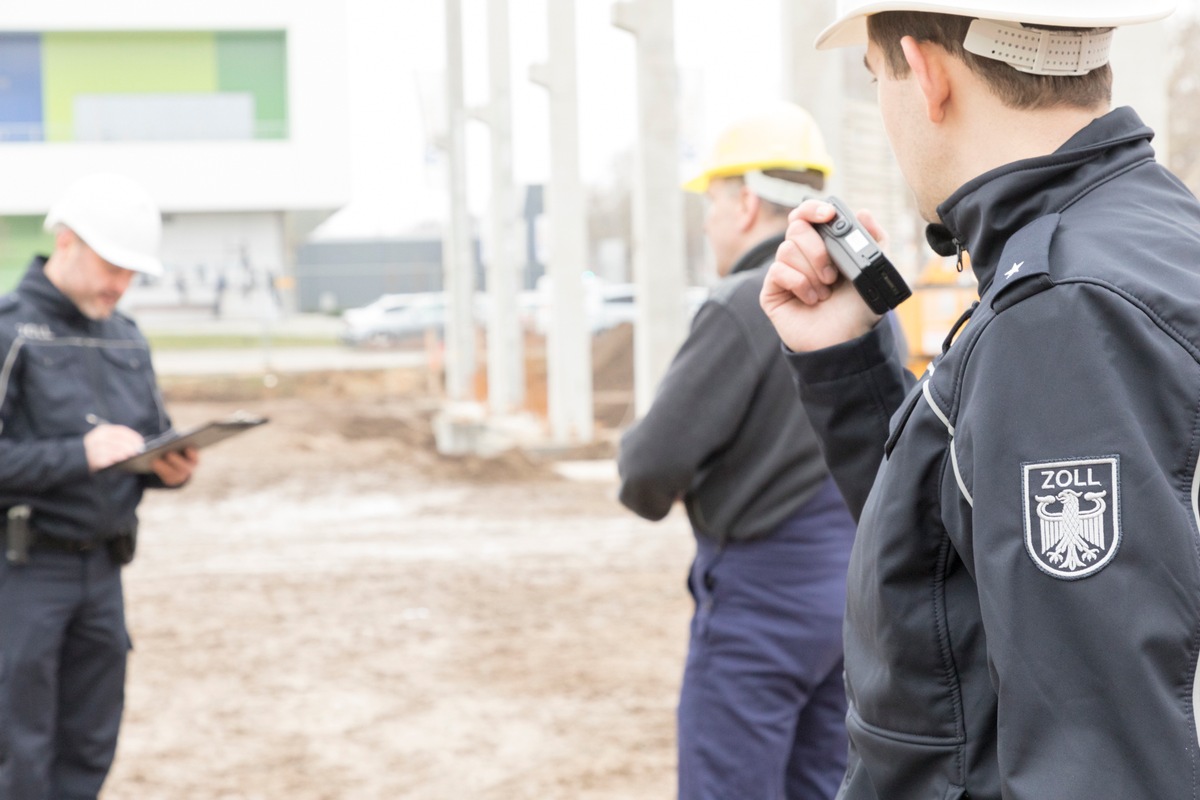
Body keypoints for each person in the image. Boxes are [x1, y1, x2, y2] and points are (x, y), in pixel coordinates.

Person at [760, 2, 1200, 798]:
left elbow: (1103, 758)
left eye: (875, 77)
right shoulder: (1141, 242)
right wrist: (843, 361)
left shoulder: (1064, 314)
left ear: (924, 74)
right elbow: (961, 568)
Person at [617, 102, 857, 800]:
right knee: (824, 784)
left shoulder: (743, 304)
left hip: (760, 610)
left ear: (747, 202)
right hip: (846, 605)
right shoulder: (861, 302)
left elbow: (648, 468)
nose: (708, 222)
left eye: (713, 204)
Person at [0, 173, 199, 799]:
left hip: (104, 571)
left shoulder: (126, 337)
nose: (121, 285)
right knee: (20, 744)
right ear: (67, 243)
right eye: (113, 267)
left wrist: (170, 468)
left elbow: (147, 439)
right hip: (24, 570)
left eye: (132, 274)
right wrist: (74, 455)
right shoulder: (10, 334)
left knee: (90, 739)